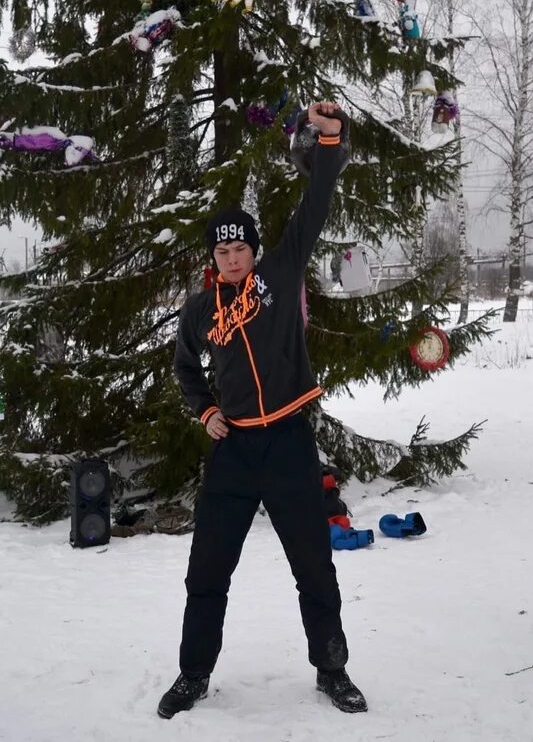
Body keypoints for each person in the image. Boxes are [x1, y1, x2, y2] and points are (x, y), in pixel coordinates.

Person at [163, 101, 365, 718]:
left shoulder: (278, 272)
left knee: (313, 564)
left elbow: (315, 206)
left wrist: (329, 140)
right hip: (235, 451)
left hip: (288, 443)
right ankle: (194, 673)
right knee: (208, 571)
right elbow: (183, 368)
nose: (232, 257)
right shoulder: (200, 311)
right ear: (213, 258)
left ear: (252, 250)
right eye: (222, 251)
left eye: (239, 248)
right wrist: (205, 413)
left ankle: (332, 668)